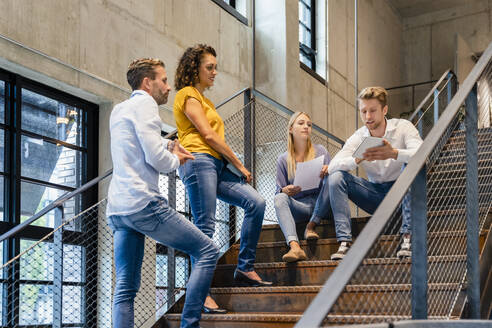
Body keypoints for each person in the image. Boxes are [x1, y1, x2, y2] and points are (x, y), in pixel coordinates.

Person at [106, 58, 219, 328]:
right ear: (148, 83)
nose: (169, 87)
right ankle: (189, 324)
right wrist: (176, 160)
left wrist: (170, 148)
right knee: (208, 251)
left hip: (119, 210)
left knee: (125, 289)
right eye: (164, 80)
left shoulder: (120, 109)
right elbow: (155, 157)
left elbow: (142, 144)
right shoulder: (146, 104)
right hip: (144, 203)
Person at [173, 44, 271, 313]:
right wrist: (239, 164)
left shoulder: (206, 100)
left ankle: (245, 268)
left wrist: (229, 163)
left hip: (216, 164)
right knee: (205, 229)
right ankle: (200, 294)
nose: (215, 72)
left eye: (215, 67)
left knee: (256, 203)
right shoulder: (187, 94)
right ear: (195, 68)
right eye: (210, 67)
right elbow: (208, 136)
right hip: (199, 161)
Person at [328, 86, 423, 260]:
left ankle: (408, 238)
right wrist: (356, 159)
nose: (368, 117)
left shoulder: (403, 127)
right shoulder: (359, 137)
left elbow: (423, 154)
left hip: (402, 195)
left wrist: (394, 153)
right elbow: (332, 166)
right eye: (363, 111)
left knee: (411, 166)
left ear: (384, 110)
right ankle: (344, 243)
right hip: (375, 195)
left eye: (372, 111)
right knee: (336, 177)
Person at [274, 111, 332, 262]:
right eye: (301, 123)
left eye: (309, 124)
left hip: (322, 205)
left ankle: (311, 227)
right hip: (299, 206)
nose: (306, 126)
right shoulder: (283, 159)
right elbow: (278, 191)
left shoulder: (321, 151)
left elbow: (331, 185)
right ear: (291, 129)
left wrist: (328, 171)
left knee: (332, 179)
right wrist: (285, 190)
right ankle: (295, 247)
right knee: (280, 198)